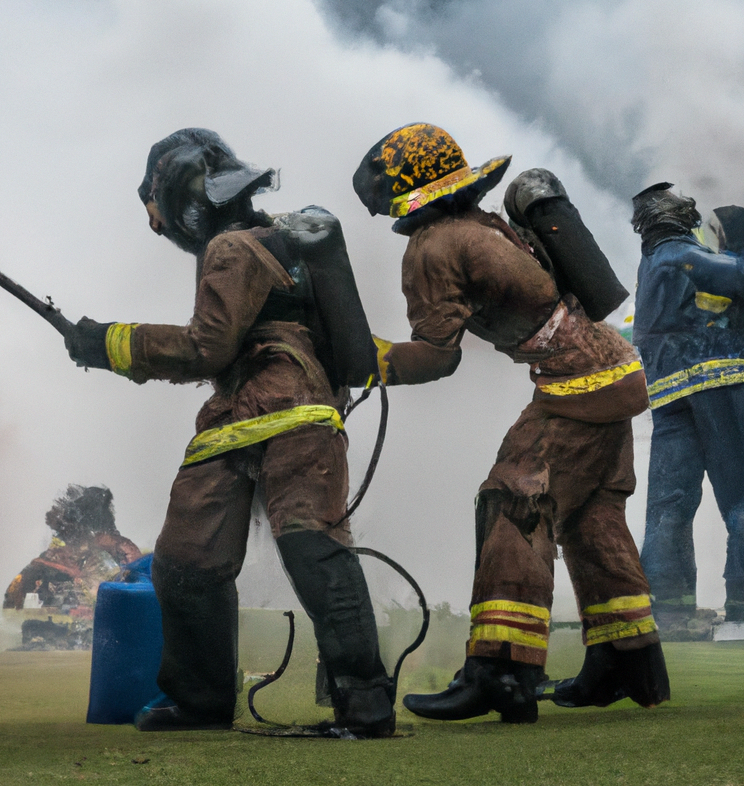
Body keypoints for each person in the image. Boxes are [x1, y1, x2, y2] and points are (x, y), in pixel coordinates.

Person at [64, 128, 394, 736]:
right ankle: (212, 702)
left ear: (186, 201)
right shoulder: (276, 240)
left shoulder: (234, 249)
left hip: (277, 411)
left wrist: (107, 342)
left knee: (303, 548)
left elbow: (206, 348)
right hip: (264, 416)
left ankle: (351, 703)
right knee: (189, 556)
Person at [352, 123, 669, 723]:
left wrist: (364, 358)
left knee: (514, 501)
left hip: (575, 385)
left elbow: (437, 356)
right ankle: (628, 659)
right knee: (591, 515)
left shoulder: (433, 246)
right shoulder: (488, 224)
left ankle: (502, 672)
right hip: (615, 370)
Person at [632, 184, 744, 626]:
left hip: (667, 393)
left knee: (669, 504)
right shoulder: (682, 255)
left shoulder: (649, 263)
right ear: (677, 216)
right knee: (740, 496)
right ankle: (741, 601)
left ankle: (669, 608)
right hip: (719, 381)